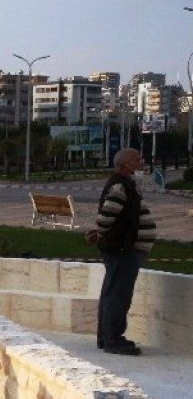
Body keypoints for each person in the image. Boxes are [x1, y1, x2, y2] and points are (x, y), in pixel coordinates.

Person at [85, 148, 156, 356]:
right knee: (118, 295)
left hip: (123, 248)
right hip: (123, 249)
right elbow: (107, 215)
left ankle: (106, 337)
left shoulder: (126, 183)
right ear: (126, 164)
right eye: (137, 160)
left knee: (112, 293)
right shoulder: (120, 184)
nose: (141, 162)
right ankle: (114, 339)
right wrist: (100, 232)